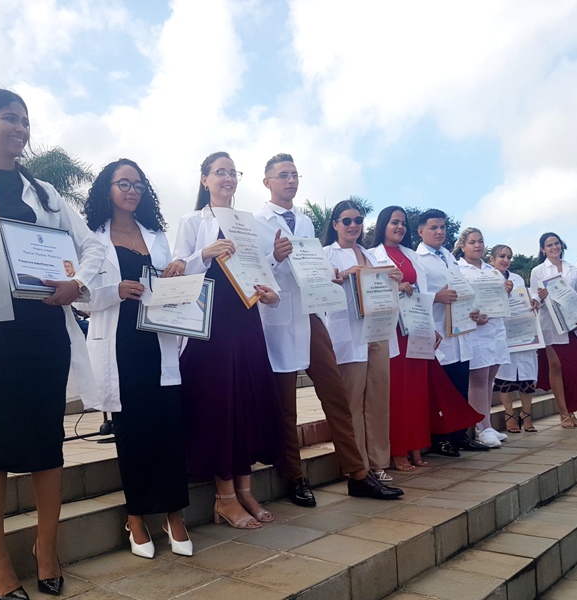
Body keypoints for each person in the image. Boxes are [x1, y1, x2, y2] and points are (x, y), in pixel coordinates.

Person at [0, 89, 104, 599]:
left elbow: (94, 246)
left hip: (42, 331)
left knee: (45, 444)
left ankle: (47, 547)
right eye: (9, 119)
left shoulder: (48, 194)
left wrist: (77, 285)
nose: (20, 128)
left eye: (25, 121)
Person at [253, 154, 403, 503]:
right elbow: (252, 272)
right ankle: (294, 476)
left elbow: (313, 266)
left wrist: (329, 276)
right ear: (267, 182)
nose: (290, 181)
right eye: (282, 175)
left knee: (335, 394)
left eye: (294, 174)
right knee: (286, 403)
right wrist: (274, 257)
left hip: (309, 314)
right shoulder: (257, 222)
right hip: (276, 318)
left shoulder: (304, 222)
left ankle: (358, 473)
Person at [79, 159, 191, 558]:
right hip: (118, 343)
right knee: (133, 432)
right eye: (122, 183)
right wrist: (115, 290)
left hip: (157, 341)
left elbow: (169, 285)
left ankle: (174, 514)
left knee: (168, 426)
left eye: (137, 185)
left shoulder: (157, 236)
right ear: (105, 190)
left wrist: (176, 275)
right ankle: (137, 516)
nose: (131, 190)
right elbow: (78, 294)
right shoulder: (91, 237)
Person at [173, 151, 282, 530]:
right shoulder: (191, 221)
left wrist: (272, 294)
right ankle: (225, 497)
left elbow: (262, 268)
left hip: (246, 317)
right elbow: (175, 271)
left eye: (233, 172)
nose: (228, 178)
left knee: (247, 399)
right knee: (222, 404)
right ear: (204, 180)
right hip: (212, 324)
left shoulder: (246, 223)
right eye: (219, 172)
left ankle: (247, 488)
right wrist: (205, 253)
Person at [323, 200, 401, 482]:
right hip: (348, 332)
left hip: (378, 331)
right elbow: (321, 289)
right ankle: (358, 466)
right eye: (346, 221)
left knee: (378, 399)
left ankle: (379, 461)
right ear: (335, 225)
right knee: (352, 401)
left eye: (358, 220)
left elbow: (389, 286)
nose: (353, 225)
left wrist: (395, 277)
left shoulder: (372, 255)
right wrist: (343, 276)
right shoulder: (325, 255)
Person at [370, 206, 443, 470]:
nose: (399, 227)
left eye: (402, 223)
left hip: (415, 329)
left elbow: (422, 294)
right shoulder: (371, 255)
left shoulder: (412, 256)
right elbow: (371, 289)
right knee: (397, 392)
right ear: (383, 225)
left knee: (416, 391)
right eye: (394, 222)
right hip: (392, 332)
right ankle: (398, 449)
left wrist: (432, 327)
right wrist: (394, 287)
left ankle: (415, 445)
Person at [414, 209, 489, 456]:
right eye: (434, 227)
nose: (439, 232)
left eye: (443, 227)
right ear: (421, 231)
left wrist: (474, 310)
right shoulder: (418, 259)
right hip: (437, 331)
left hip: (460, 329)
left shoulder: (449, 256)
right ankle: (440, 438)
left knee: (459, 385)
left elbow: (461, 290)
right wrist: (436, 297)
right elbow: (412, 294)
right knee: (441, 389)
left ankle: (459, 435)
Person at [530, 232, 577, 428]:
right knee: (556, 366)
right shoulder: (538, 271)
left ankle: (572, 410)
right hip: (551, 325)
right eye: (549, 245)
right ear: (543, 249)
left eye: (556, 243)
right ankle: (563, 413)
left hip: (573, 324)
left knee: (574, 369)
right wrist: (540, 297)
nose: (554, 247)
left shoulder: (573, 270)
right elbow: (534, 299)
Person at [453, 229, 511, 447]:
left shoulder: (492, 270)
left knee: (489, 378)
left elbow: (498, 297)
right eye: (472, 242)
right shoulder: (458, 269)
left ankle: (487, 424)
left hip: (496, 327)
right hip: (475, 329)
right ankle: (481, 428)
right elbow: (458, 298)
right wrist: (473, 316)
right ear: (463, 246)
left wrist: (507, 289)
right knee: (478, 378)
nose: (477, 245)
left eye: (480, 241)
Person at [489, 245, 539, 433]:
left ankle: (526, 415)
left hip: (523, 333)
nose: (506, 260)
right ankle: (509, 416)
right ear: (492, 259)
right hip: (502, 334)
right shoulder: (488, 277)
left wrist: (535, 301)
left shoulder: (517, 279)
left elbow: (528, 298)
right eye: (502, 256)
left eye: (509, 257)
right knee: (506, 377)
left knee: (527, 377)